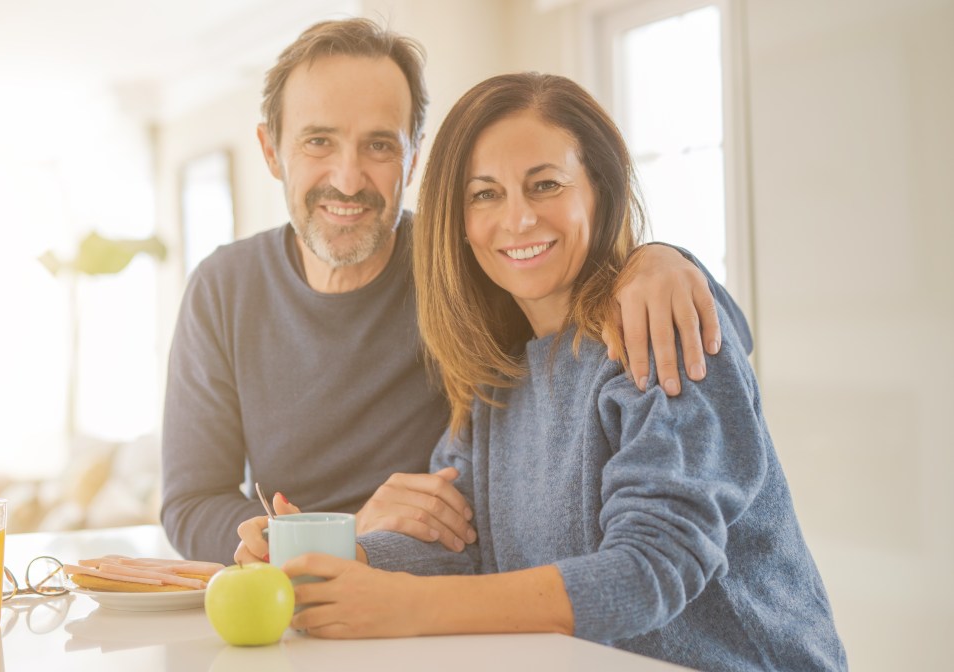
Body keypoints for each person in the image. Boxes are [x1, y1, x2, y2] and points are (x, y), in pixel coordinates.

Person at [234, 72, 846, 670]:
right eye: (485, 194)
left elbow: (652, 571)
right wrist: (332, 562)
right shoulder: (497, 379)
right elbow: (461, 546)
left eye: (546, 184)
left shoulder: (658, 325)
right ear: (460, 222)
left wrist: (409, 606)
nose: (519, 219)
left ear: (599, 190)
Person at [162, 18, 736, 566]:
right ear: (271, 151)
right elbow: (191, 504)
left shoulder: (468, 265)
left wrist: (657, 260)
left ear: (413, 157)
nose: (347, 178)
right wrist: (339, 534)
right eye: (318, 141)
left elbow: (676, 336)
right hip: (313, 590)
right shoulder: (222, 288)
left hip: (443, 587)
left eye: (380, 146)